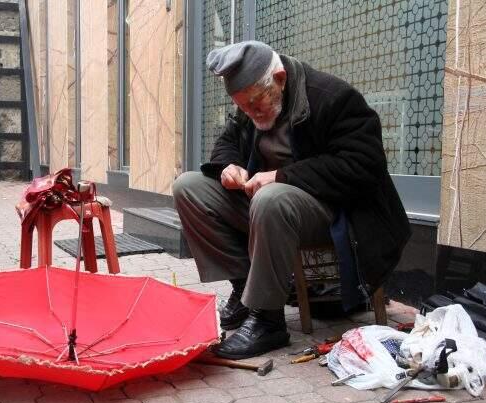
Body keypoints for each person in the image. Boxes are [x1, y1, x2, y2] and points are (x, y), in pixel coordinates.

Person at [173, 41, 411, 360]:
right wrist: (228, 166)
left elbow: (364, 166)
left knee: (271, 198)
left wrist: (281, 176)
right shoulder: (252, 98)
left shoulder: (333, 98)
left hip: (337, 213)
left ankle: (268, 320)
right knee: (188, 186)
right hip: (273, 207)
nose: (251, 113)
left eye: (257, 104)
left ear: (281, 79)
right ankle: (246, 293)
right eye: (243, 107)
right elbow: (228, 141)